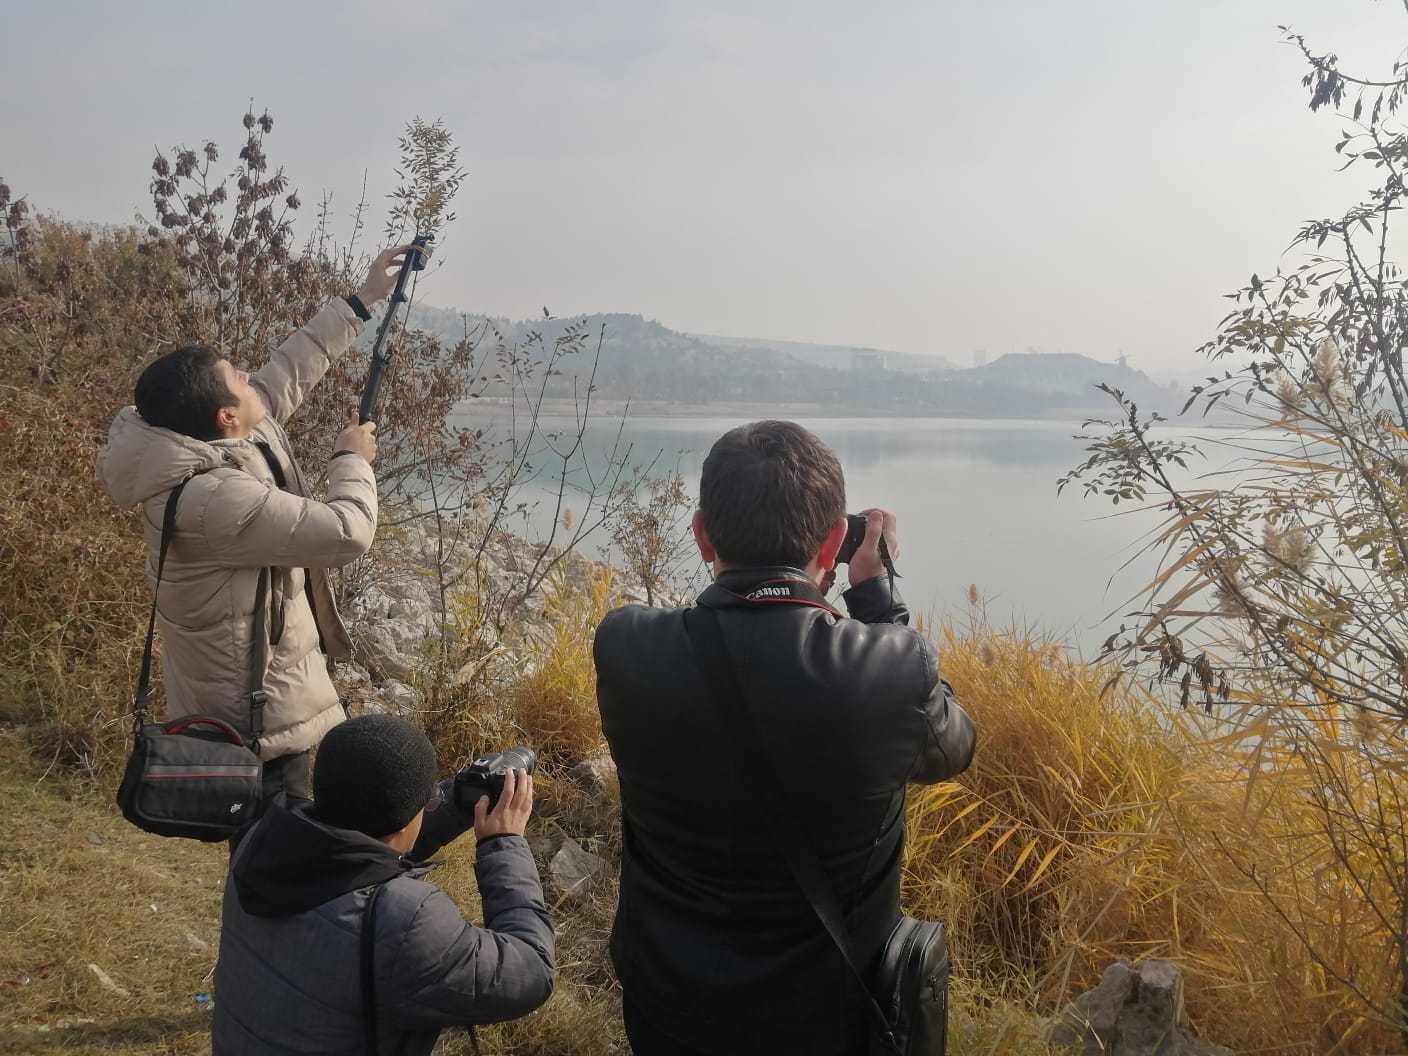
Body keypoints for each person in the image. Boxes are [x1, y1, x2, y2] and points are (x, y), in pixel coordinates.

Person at [593, 419, 977, 1055]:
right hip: (828, 1019)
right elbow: (954, 746)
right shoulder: (889, 669)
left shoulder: (628, 646)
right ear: (832, 542)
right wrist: (875, 598)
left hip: (668, 1003)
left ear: (701, 534)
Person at [96, 246, 409, 803]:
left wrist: (361, 302)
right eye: (236, 377)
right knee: (274, 850)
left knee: (271, 853)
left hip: (254, 679)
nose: (248, 376)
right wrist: (351, 460)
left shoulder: (206, 441)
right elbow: (348, 532)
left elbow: (285, 374)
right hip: (251, 707)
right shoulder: (214, 498)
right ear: (225, 416)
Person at [212, 713, 555, 1054]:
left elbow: (375, 839)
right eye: (428, 801)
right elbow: (533, 969)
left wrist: (462, 799)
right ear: (407, 820)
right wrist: (504, 842)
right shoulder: (404, 921)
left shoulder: (261, 841)